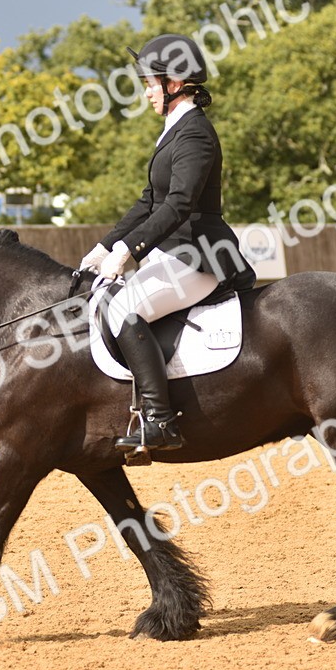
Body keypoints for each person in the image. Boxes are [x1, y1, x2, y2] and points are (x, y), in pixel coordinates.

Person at [79, 34, 256, 454]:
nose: (145, 92)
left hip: (199, 256)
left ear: (175, 82)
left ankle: (161, 421)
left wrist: (132, 250)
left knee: (123, 308)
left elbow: (179, 204)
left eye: (149, 83)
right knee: (106, 296)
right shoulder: (174, 130)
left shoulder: (195, 134)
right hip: (175, 250)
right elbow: (149, 201)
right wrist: (107, 245)